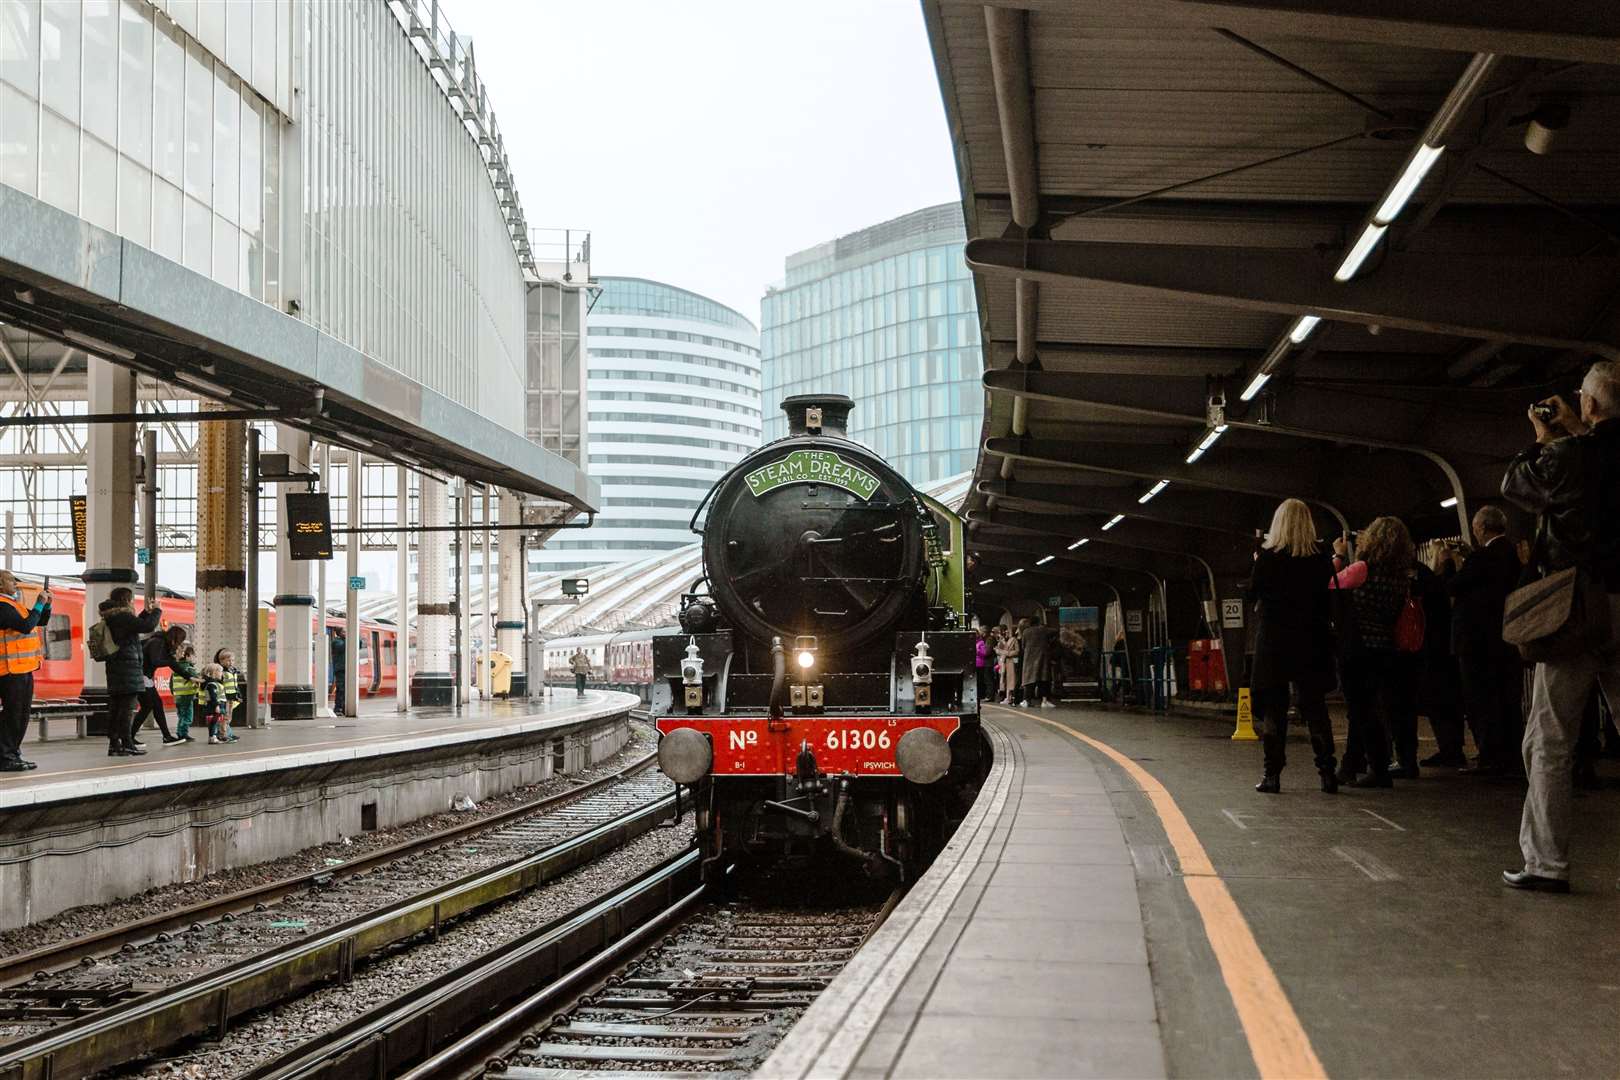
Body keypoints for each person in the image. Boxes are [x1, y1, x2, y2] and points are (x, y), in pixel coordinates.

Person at [1499, 363, 1620, 892]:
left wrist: (1545, 435)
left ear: (1590, 405)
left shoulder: (1569, 455)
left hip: (1579, 608)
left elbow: (1517, 486)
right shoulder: (1591, 448)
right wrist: (1577, 430)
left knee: (1549, 739)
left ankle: (1546, 863)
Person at [1247, 499, 1339, 794]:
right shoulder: (1321, 559)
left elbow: (1251, 595)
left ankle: (1272, 775)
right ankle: (1327, 773)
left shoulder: (1267, 558)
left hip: (1275, 640)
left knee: (1274, 708)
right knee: (1314, 707)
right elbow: (1329, 601)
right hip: (1311, 639)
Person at [1331, 516, 1417, 789]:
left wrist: (1339, 555)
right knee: (1367, 707)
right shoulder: (1401, 577)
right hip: (1387, 648)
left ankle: (1376, 767)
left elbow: (1331, 584)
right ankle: (1351, 765)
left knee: (1360, 709)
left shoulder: (1361, 570)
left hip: (1358, 648)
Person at [1443, 506, 1525, 775]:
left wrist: (1449, 563)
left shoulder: (1484, 558)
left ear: (1481, 528)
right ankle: (1509, 755)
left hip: (1477, 641)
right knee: (1506, 699)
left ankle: (1489, 755)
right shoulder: (1509, 553)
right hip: (1503, 638)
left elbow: (1454, 585)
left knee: (1481, 700)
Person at [1416, 545, 1467, 768]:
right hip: (1446, 644)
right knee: (1447, 699)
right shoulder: (1430, 578)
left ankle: (1450, 749)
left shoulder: (1423, 577)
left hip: (1432, 646)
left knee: (1439, 700)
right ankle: (1452, 747)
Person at [99, 587, 161, 756]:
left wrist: (145, 612)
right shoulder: (123, 617)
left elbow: (134, 626)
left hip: (115, 667)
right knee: (127, 709)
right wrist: (156, 611)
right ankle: (127, 743)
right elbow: (147, 626)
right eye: (132, 599)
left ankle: (114, 744)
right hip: (128, 668)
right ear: (126, 600)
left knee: (116, 708)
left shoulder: (112, 616)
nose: (133, 602)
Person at [0, 572, 49, 771]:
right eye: (12, 580)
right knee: (13, 714)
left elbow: (38, 621)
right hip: (10, 670)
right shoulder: (2, 606)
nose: (16, 584)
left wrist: (46, 605)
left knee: (20, 714)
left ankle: (13, 753)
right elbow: (26, 625)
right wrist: (38, 603)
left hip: (22, 669)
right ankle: (6, 756)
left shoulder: (13, 605)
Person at [136, 625, 193, 746]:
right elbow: (155, 661)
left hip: (145, 677)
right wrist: (171, 660)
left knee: (155, 705)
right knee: (148, 706)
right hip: (141, 677)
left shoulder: (162, 643)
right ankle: (129, 737)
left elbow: (173, 665)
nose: (179, 644)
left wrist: (189, 677)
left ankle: (166, 736)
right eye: (180, 641)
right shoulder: (157, 642)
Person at [1020, 616, 1055, 708]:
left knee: (1029, 681)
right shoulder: (1043, 630)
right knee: (1043, 680)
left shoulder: (1025, 632)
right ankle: (1044, 701)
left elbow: (1023, 646)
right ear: (1039, 622)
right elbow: (1055, 631)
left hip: (1029, 659)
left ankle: (1027, 701)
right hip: (1042, 658)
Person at [199, 663, 235, 743]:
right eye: (220, 672)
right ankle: (212, 737)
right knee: (213, 721)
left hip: (218, 705)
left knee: (216, 721)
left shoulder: (215, 683)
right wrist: (216, 706)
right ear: (214, 673)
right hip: (214, 706)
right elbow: (213, 696)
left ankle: (215, 736)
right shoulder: (212, 684)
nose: (222, 674)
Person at [170, 643, 200, 741]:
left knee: (181, 715)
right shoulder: (189, 668)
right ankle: (182, 733)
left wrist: (173, 693)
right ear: (187, 656)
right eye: (193, 656)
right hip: (187, 696)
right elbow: (197, 679)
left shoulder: (176, 668)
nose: (194, 658)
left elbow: (171, 683)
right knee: (188, 716)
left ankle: (182, 733)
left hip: (177, 696)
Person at [214, 649, 246, 730]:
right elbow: (218, 685)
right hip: (225, 698)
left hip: (232, 697)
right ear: (221, 661)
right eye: (228, 660)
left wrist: (238, 695)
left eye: (232, 660)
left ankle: (227, 733)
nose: (231, 662)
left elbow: (235, 685)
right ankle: (222, 734)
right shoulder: (221, 672)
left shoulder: (233, 671)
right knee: (225, 716)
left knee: (229, 716)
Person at [996, 625, 1020, 704]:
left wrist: (1007, 653)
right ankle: (1006, 697)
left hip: (1011, 662)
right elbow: (999, 649)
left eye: (1008, 631)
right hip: (1004, 662)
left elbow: (1017, 651)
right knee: (1004, 679)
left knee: (1010, 680)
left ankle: (1009, 697)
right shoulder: (1004, 640)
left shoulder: (1014, 640)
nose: (1006, 632)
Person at [973, 627, 991, 703]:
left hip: (979, 664)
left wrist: (977, 650)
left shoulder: (981, 642)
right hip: (972, 663)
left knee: (980, 681)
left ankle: (980, 695)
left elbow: (984, 653)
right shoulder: (971, 641)